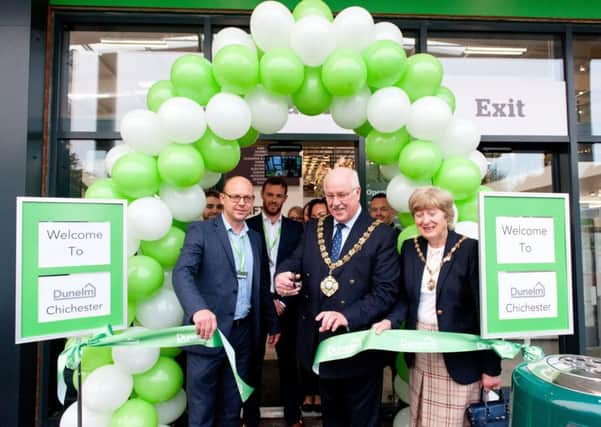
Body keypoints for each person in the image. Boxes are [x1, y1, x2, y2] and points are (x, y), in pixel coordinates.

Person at [275, 167, 400, 427]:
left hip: (359, 345)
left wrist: (346, 315)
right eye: (330, 195)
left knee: (362, 420)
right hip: (320, 343)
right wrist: (282, 275)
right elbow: (294, 261)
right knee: (331, 418)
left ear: (357, 193)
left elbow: (385, 292)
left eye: (342, 194)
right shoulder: (313, 229)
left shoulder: (382, 235)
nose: (335, 202)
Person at [372, 186, 501, 427]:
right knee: (422, 419)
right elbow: (403, 297)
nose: (425, 220)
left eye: (432, 213)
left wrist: (491, 367)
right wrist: (389, 320)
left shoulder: (470, 249)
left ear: (446, 215)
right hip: (421, 351)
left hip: (458, 357)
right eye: (419, 214)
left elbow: (485, 312)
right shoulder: (411, 248)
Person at [173, 176, 280, 427]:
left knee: (232, 410)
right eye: (236, 197)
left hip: (243, 336)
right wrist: (198, 309)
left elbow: (262, 285)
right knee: (202, 412)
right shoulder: (200, 231)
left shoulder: (254, 238)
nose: (242, 203)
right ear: (223, 199)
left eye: (247, 198)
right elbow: (182, 272)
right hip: (208, 334)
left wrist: (273, 323)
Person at [244, 177, 304, 427]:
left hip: (287, 306)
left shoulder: (297, 229)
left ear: (285, 198)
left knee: (290, 365)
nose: (273, 200)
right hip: (255, 306)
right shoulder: (246, 226)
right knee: (251, 364)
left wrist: (283, 301)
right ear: (262, 196)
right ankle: (250, 418)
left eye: (279, 196)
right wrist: (268, 302)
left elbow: (302, 268)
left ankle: (293, 417)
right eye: (269, 194)